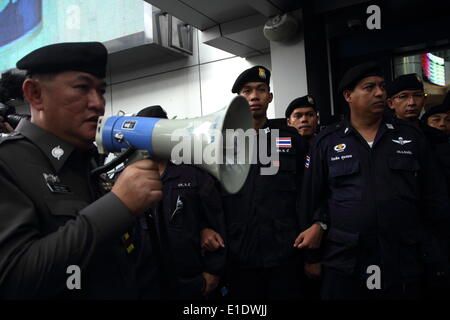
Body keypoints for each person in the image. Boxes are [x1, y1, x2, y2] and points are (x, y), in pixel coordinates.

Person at [0, 42, 162, 299]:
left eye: (101, 90)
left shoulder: (89, 163)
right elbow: (13, 278)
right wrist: (118, 206)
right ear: (35, 94)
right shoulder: (7, 163)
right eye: (82, 88)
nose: (98, 103)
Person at [300, 61, 449, 299]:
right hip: (345, 260)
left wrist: (436, 252)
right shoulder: (327, 141)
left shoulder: (410, 136)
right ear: (348, 95)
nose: (380, 93)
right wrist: (312, 257)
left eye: (381, 86)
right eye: (369, 87)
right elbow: (312, 199)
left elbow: (434, 197)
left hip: (404, 258)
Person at [218, 65, 307, 299]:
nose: (254, 96)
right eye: (247, 91)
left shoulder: (290, 139)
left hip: (286, 252)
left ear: (270, 96)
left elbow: (307, 191)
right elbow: (212, 197)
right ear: (238, 98)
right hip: (240, 254)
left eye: (260, 90)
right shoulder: (222, 144)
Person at [134, 105, 226, 300]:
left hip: (190, 280)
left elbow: (216, 223)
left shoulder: (193, 172)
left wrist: (213, 270)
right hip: (146, 281)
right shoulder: (129, 178)